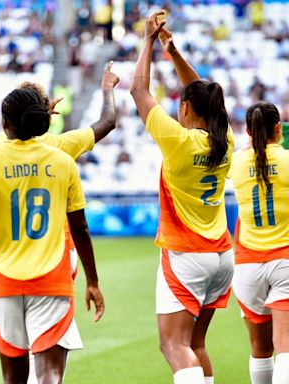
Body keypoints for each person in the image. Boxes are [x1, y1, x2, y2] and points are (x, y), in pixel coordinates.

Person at [0, 88, 104, 384]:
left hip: (4, 280)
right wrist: (92, 280)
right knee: (50, 373)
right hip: (52, 277)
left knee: (13, 379)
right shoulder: (63, 161)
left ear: (5, 124)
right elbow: (80, 227)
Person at [130, 12, 235, 384]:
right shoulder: (226, 140)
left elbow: (139, 92)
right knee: (196, 343)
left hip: (187, 255)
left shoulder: (178, 140)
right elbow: (208, 99)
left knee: (173, 345)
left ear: (185, 109)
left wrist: (146, 41)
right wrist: (172, 53)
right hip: (222, 254)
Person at [228, 101, 289, 384]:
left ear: (249, 132)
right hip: (285, 260)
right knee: (286, 347)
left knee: (260, 349)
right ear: (279, 128)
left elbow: (245, 152)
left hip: (247, 266)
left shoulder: (237, 162)